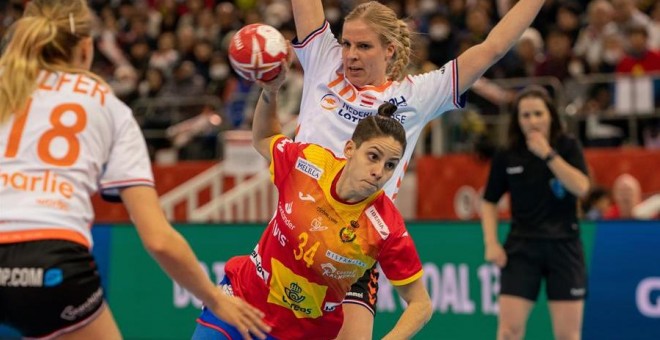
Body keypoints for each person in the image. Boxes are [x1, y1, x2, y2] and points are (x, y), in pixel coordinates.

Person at [0, 1, 270, 339]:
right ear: (87, 47)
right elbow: (158, 239)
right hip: (52, 263)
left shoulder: (6, 86)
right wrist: (214, 298)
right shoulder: (106, 105)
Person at [289, 0, 547, 337]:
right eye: (346, 43)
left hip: (353, 251)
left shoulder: (415, 96)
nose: (350, 54)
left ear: (390, 51)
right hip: (293, 237)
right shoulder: (321, 60)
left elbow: (493, 47)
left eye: (364, 46)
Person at [192, 64, 432, 339]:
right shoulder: (308, 164)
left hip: (301, 334)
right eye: (373, 157)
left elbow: (421, 304)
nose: (380, 172)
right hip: (241, 305)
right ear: (350, 149)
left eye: (391, 165)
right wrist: (270, 91)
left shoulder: (385, 227)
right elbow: (264, 138)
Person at [480, 86, 591, 340]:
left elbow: (582, 187)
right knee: (509, 331)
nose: (532, 121)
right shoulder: (507, 153)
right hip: (522, 247)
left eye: (538, 114)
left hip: (565, 246)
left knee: (568, 335)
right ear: (517, 120)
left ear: (551, 116)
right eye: (525, 115)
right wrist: (491, 242)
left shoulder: (567, 146)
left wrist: (548, 154)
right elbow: (489, 202)